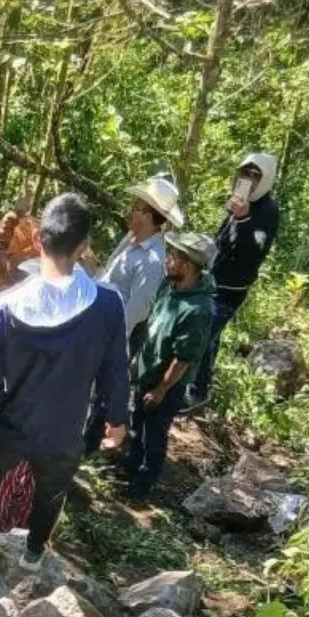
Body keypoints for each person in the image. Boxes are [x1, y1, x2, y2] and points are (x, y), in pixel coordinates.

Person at [0, 193, 128, 604]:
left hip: (9, 427)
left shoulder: (3, 307)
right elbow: (116, 369)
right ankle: (34, 555)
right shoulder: (107, 304)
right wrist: (117, 419)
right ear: (84, 245)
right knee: (52, 489)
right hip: (65, 429)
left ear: (36, 239)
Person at [83, 176, 184, 453]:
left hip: (118, 331)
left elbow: (136, 309)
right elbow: (110, 280)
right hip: (100, 321)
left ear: (149, 217)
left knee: (102, 389)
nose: (132, 210)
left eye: (137, 207)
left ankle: (88, 447)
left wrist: (109, 341)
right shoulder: (131, 241)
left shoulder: (153, 261)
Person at [185, 153, 280, 411]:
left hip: (231, 289)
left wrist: (244, 219)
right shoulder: (241, 202)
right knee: (210, 335)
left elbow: (254, 252)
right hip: (214, 277)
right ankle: (200, 385)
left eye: (254, 176)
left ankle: (197, 389)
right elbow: (225, 238)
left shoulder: (267, 211)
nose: (247, 180)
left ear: (265, 180)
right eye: (244, 174)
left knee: (203, 332)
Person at [125, 233, 214, 499]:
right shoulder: (169, 286)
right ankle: (129, 471)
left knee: (153, 434)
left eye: (173, 256)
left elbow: (183, 357)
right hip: (148, 369)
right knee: (136, 422)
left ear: (187, 266)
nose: (167, 260)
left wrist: (161, 390)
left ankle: (142, 487)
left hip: (168, 383)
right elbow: (154, 324)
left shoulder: (198, 309)